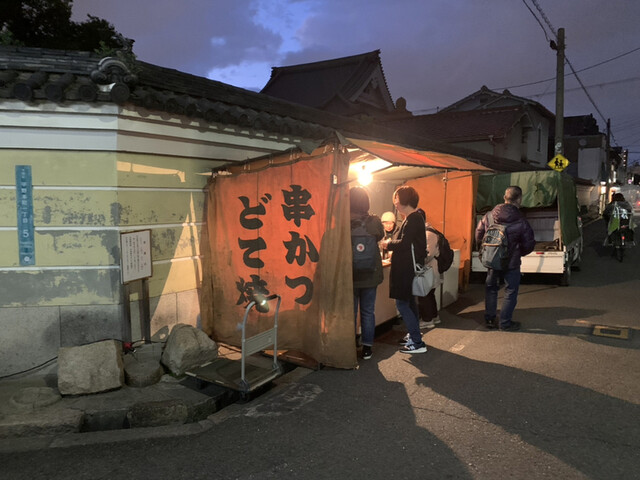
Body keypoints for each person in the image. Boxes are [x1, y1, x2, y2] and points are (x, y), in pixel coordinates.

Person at [475, 185, 535, 331]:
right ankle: (505, 323)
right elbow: (529, 243)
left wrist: (487, 250)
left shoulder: (489, 216)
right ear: (519, 199)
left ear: (504, 198)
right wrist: (518, 253)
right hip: (511, 262)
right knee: (510, 291)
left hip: (492, 260)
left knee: (491, 289)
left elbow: (478, 235)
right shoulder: (521, 220)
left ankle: (489, 320)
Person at [380, 186, 428, 353]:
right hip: (407, 268)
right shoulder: (414, 217)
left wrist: (387, 244)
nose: (395, 204)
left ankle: (417, 342)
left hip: (405, 269)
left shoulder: (413, 218)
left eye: (396, 200)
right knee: (409, 302)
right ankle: (414, 336)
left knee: (402, 304)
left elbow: (405, 244)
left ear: (403, 201)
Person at [350, 187, 384, 360]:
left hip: (350, 275)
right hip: (370, 274)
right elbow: (380, 236)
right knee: (367, 311)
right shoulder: (374, 221)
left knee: (351, 312)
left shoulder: (343, 222)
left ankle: (348, 347)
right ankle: (367, 349)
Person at [416, 209, 441, 330]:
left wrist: (416, 260)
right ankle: (434, 316)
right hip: (430, 269)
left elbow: (428, 254)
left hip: (429, 269)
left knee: (424, 295)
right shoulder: (426, 231)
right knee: (429, 294)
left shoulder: (428, 234)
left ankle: (427, 320)